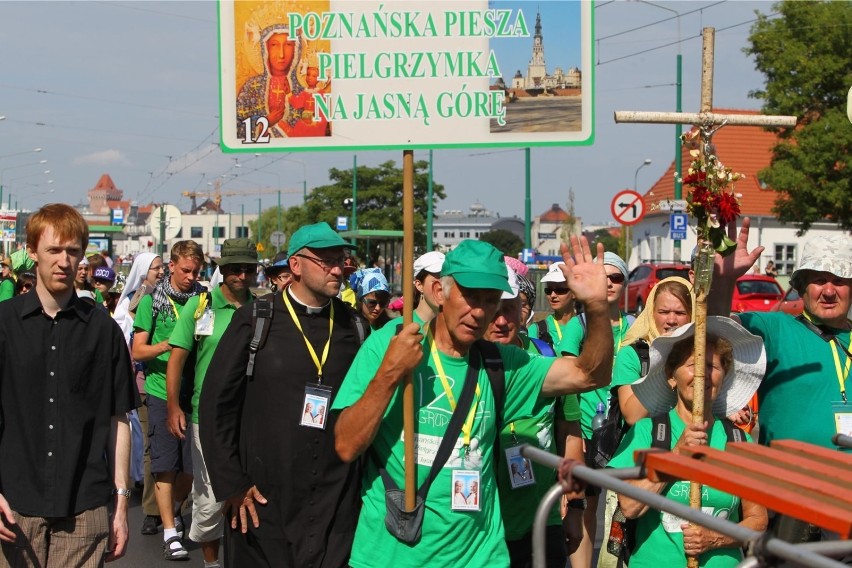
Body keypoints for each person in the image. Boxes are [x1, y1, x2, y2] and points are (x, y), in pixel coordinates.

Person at [331, 236, 615, 567]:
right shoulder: (391, 344)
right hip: (391, 555)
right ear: (439, 292)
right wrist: (389, 375)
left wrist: (596, 307)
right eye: (469, 297)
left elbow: (589, 375)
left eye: (490, 300)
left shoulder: (500, 363)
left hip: (481, 558)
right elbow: (346, 446)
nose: (479, 311)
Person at [199, 222, 363, 568]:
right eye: (326, 260)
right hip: (262, 498)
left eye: (340, 259)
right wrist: (232, 484)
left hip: (336, 498)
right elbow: (217, 405)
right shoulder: (256, 319)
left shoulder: (355, 325)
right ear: (296, 266)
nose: (338, 268)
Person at [0, 203, 139, 566]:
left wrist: (121, 502)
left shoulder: (103, 330)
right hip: (13, 506)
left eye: (72, 251)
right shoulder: (4, 324)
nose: (64, 261)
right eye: (53, 250)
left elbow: (118, 419)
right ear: (32, 252)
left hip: (85, 506)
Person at [610, 317, 769, 567]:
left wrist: (715, 538)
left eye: (711, 366)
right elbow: (630, 507)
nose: (702, 374)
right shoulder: (647, 432)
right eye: (692, 364)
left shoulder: (739, 441)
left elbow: (757, 521)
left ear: (723, 378)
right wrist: (676, 457)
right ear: (671, 376)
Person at [166, 238, 258, 568]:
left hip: (250, 417)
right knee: (210, 498)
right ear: (223, 270)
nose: (242, 276)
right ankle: (211, 564)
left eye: (248, 269)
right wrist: (174, 406)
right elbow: (177, 358)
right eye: (235, 269)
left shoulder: (263, 308)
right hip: (207, 418)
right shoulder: (200, 306)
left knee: (250, 491)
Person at [485, 266, 582, 568]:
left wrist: (576, 506)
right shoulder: (463, 365)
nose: (500, 321)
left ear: (522, 312)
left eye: (510, 309)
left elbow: (570, 433)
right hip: (479, 528)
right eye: (493, 310)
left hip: (541, 521)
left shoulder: (546, 361)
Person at [557, 252, 632, 568]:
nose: (610, 284)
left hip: (623, 435)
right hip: (588, 432)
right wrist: (575, 434)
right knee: (584, 510)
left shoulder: (634, 325)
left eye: (617, 278)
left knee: (623, 510)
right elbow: (567, 377)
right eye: (606, 277)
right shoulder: (581, 323)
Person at [132, 240, 205, 560]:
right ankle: (169, 532)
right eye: (186, 270)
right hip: (161, 391)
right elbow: (137, 351)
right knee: (165, 465)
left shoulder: (203, 299)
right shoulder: (152, 301)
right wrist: (173, 345)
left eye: (196, 271)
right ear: (172, 266)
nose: (191, 276)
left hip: (194, 393)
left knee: (190, 470)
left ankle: (172, 511)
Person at [110, 252, 164, 536]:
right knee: (146, 444)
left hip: (164, 379)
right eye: (157, 268)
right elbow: (124, 334)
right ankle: (151, 508)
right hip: (139, 380)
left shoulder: (166, 296)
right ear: (144, 271)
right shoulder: (130, 301)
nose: (161, 271)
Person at [613, 277, 695, 425]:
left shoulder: (703, 356)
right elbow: (632, 417)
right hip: (645, 445)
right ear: (651, 314)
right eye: (663, 312)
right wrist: (662, 358)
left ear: (692, 315)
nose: (671, 320)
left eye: (680, 313)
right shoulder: (631, 356)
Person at [236, 23, 303, 140]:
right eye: (274, 45)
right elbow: (236, 126)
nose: (281, 54)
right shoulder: (251, 87)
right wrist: (265, 122)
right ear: (265, 49)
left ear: (296, 50)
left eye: (288, 45)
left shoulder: (302, 93)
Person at [529, 261, 576, 348]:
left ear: (574, 292)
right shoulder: (536, 330)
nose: (553, 295)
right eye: (549, 290)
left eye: (560, 290)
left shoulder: (586, 327)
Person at [412, 251, 445, 324]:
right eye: (438, 279)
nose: (444, 286)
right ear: (419, 285)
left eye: (447, 280)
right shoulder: (393, 329)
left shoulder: (458, 329)